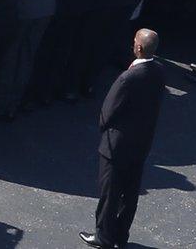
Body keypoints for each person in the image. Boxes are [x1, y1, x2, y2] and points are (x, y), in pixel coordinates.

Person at [80, 29, 165, 249]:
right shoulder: (158, 71)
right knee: (129, 193)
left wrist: (103, 126)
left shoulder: (128, 77)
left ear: (138, 48)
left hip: (117, 145)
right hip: (141, 143)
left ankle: (104, 236)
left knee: (110, 192)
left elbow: (107, 112)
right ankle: (120, 235)